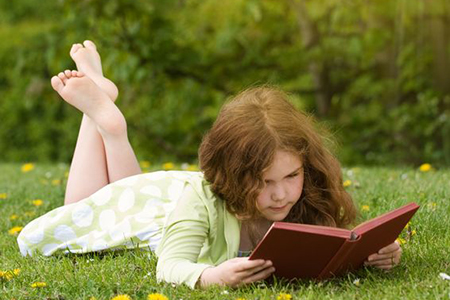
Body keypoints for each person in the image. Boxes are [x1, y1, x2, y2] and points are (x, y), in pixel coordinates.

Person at [17, 40, 402, 289]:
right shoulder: (202, 203)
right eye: (265, 182)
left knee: (130, 190)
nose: (282, 193)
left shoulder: (306, 191)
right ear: (234, 176)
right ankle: (103, 121)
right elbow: (168, 266)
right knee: (86, 209)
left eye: (291, 176)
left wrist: (377, 252)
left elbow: (337, 240)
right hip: (170, 208)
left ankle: (106, 111)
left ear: (306, 164)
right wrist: (208, 276)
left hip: (165, 196)